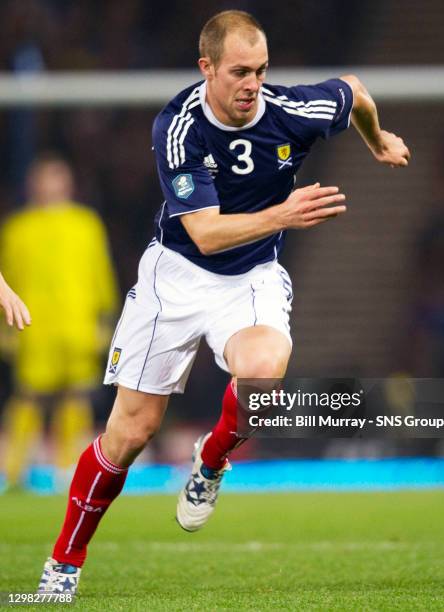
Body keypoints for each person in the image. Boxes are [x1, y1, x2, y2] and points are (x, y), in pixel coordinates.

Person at [38, 10, 410, 594]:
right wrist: (284, 215)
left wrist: (377, 139)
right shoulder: (179, 127)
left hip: (252, 276)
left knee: (262, 379)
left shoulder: (291, 110)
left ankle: (210, 462)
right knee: (130, 435)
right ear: (206, 67)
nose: (252, 84)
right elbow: (206, 233)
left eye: (261, 70)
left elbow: (355, 91)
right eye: (239, 71)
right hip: (176, 276)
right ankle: (63, 562)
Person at [1, 154, 119, 491]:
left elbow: (101, 274)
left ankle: (67, 468)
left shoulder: (86, 224)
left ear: (68, 183)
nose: (50, 185)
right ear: (32, 184)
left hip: (77, 323)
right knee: (28, 396)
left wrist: (105, 318)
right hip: (33, 325)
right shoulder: (17, 228)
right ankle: (13, 472)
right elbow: (7, 278)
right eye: (44, 179)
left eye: (56, 178)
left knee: (76, 396)